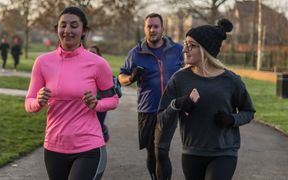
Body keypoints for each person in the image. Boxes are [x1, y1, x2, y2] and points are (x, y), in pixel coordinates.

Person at [25, 7, 119, 180]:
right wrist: (38, 102)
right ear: (57, 29)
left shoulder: (98, 63)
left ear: (84, 31)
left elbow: (113, 100)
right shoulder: (43, 62)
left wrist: (96, 104)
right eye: (63, 25)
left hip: (88, 146)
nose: (67, 30)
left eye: (74, 26)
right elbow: (29, 102)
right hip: (53, 147)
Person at [157, 19, 256, 180]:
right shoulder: (179, 79)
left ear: (205, 50)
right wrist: (177, 104)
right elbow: (161, 120)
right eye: (185, 44)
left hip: (224, 153)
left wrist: (231, 119)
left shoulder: (231, 80)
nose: (185, 49)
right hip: (192, 152)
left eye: (191, 45)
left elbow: (249, 112)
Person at [118, 13, 183, 180]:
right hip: (146, 109)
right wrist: (131, 78)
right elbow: (121, 76)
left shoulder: (177, 50)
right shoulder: (136, 53)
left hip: (169, 109)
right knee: (152, 153)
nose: (152, 29)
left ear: (163, 29)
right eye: (149, 26)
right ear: (145, 29)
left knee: (161, 150)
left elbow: (189, 70)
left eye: (156, 26)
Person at [88, 45, 122, 143]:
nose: (90, 54)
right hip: (87, 103)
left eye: (93, 52)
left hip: (100, 102)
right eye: (89, 52)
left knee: (99, 123)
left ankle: (103, 133)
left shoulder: (102, 66)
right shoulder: (82, 67)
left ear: (99, 55)